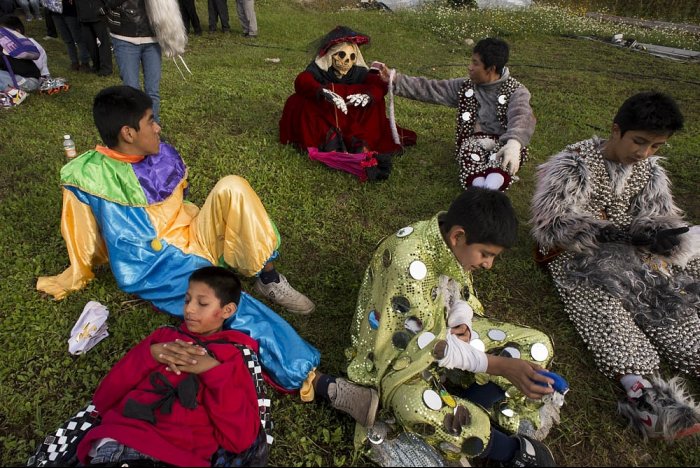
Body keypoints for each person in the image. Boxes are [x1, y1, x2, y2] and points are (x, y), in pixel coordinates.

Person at [36, 86, 378, 425]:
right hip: (157, 265)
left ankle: (268, 276)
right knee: (229, 303)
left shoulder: (155, 151)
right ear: (128, 133)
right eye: (150, 121)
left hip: (190, 233)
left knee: (233, 186)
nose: (158, 128)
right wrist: (77, 271)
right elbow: (82, 235)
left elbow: (176, 199)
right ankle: (317, 383)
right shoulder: (86, 176)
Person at [346, 188, 560, 466]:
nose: (488, 265)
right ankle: (506, 449)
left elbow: (457, 292)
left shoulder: (448, 243)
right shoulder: (408, 263)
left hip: (443, 337)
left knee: (537, 346)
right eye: (486, 254)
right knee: (413, 406)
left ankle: (468, 403)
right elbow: (420, 348)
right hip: (401, 363)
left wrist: (462, 321)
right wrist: (499, 366)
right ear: (458, 236)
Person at [530, 91, 700, 441]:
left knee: (668, 294)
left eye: (655, 146)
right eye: (639, 142)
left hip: (636, 254)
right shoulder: (573, 164)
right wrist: (615, 231)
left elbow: (660, 214)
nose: (644, 153)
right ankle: (643, 391)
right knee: (600, 297)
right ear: (616, 130)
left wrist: (661, 235)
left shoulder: (649, 172)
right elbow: (552, 226)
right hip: (580, 254)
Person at [74, 266, 267, 466]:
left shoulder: (233, 357)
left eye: (202, 303)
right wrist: (149, 355)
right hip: (116, 441)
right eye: (187, 300)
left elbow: (240, 439)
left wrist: (213, 371)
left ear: (227, 310)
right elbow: (104, 398)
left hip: (175, 456)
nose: (189, 309)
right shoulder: (163, 339)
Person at [373, 37, 535, 191]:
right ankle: (481, 191)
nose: (469, 67)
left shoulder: (516, 91)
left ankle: (490, 188)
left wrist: (513, 144)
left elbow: (522, 117)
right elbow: (432, 88)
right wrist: (396, 80)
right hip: (473, 145)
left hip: (503, 144)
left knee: (504, 161)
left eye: (475, 63)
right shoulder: (465, 86)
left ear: (491, 69)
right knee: (470, 158)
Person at [279, 26, 416, 181]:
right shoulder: (318, 70)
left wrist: (369, 96)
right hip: (328, 112)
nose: (346, 62)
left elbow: (377, 83)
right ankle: (330, 141)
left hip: (353, 113)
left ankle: (360, 144)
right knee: (299, 101)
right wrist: (322, 91)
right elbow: (303, 81)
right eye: (342, 55)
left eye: (351, 57)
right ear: (332, 55)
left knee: (375, 103)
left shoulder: (359, 71)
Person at [50, 0, 92, 72]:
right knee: (67, 39)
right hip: (55, 11)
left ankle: (85, 62)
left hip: (70, 12)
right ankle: (74, 62)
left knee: (78, 38)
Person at [75, 0, 113, 76]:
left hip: (98, 14)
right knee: (90, 44)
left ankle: (106, 68)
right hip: (83, 16)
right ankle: (96, 65)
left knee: (103, 43)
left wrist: (104, 9)